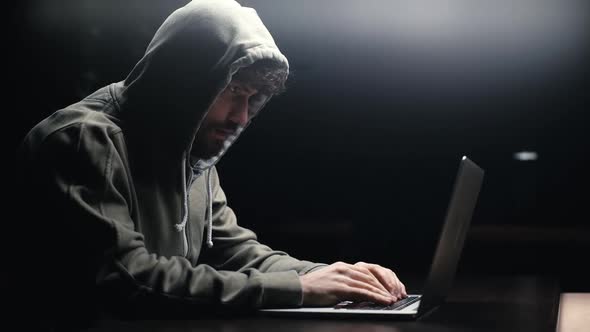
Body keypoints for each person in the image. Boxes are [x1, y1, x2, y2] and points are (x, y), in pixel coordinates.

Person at [12, 0, 406, 328]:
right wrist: (301, 289)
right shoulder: (81, 139)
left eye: (252, 97)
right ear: (182, 78)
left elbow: (237, 252)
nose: (242, 116)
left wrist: (338, 277)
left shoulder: (190, 151)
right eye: (233, 90)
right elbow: (129, 278)